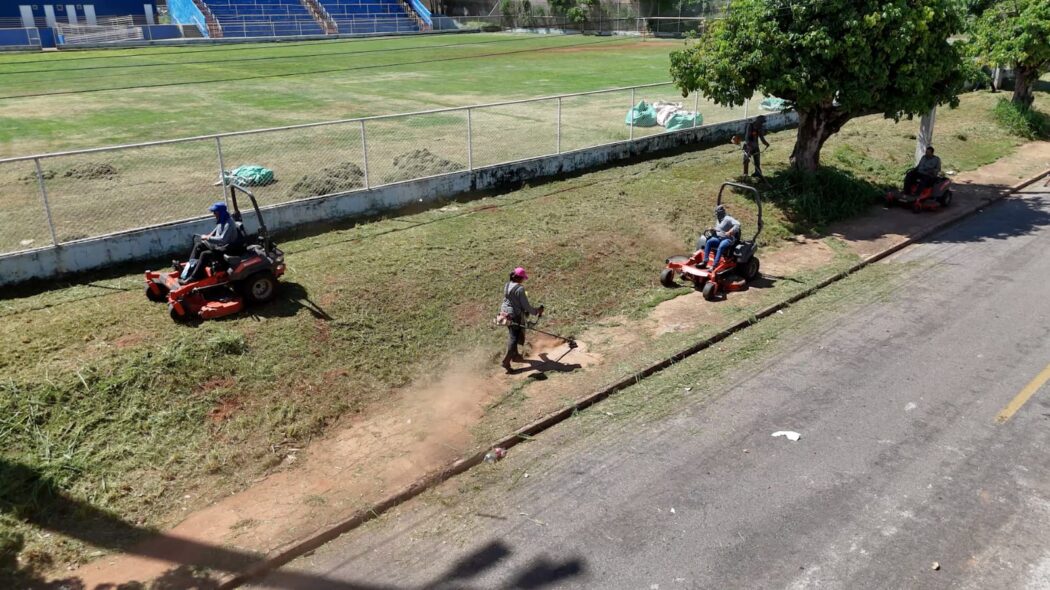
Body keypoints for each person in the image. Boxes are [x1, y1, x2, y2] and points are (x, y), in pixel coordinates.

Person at [179, 202, 238, 283]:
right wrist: (210, 235)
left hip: (226, 249)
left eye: (215, 212)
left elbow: (222, 239)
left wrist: (208, 237)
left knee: (205, 254)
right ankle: (189, 269)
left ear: (221, 212)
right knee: (198, 245)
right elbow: (217, 228)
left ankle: (194, 277)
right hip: (219, 246)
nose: (214, 214)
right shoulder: (222, 219)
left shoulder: (229, 224)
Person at [498, 267, 544, 372]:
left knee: (513, 334)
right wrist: (537, 311)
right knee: (513, 338)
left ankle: (516, 356)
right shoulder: (520, 289)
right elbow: (526, 306)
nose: (523, 280)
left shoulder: (507, 285)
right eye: (523, 278)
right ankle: (506, 362)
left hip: (504, 314)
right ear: (519, 278)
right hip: (514, 315)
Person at [698, 205, 741, 270]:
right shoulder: (718, 219)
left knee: (721, 246)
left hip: (728, 239)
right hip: (718, 238)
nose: (716, 214)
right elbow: (719, 229)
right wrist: (713, 229)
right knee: (709, 241)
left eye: (717, 213)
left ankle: (714, 265)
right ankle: (705, 261)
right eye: (716, 213)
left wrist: (730, 231)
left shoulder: (728, 218)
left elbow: (738, 224)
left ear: (721, 212)